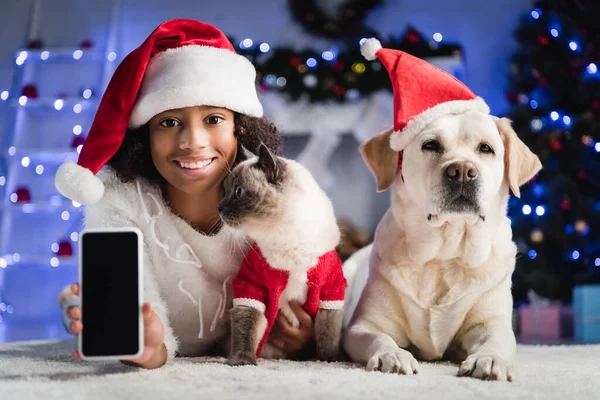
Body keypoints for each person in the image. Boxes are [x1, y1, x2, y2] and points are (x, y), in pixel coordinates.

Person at [55, 19, 315, 369]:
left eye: (213, 119)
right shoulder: (119, 200)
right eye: (169, 122)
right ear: (142, 137)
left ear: (241, 129)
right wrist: (148, 346)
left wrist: (303, 335)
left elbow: (304, 292)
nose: (193, 142)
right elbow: (142, 316)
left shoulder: (274, 191)